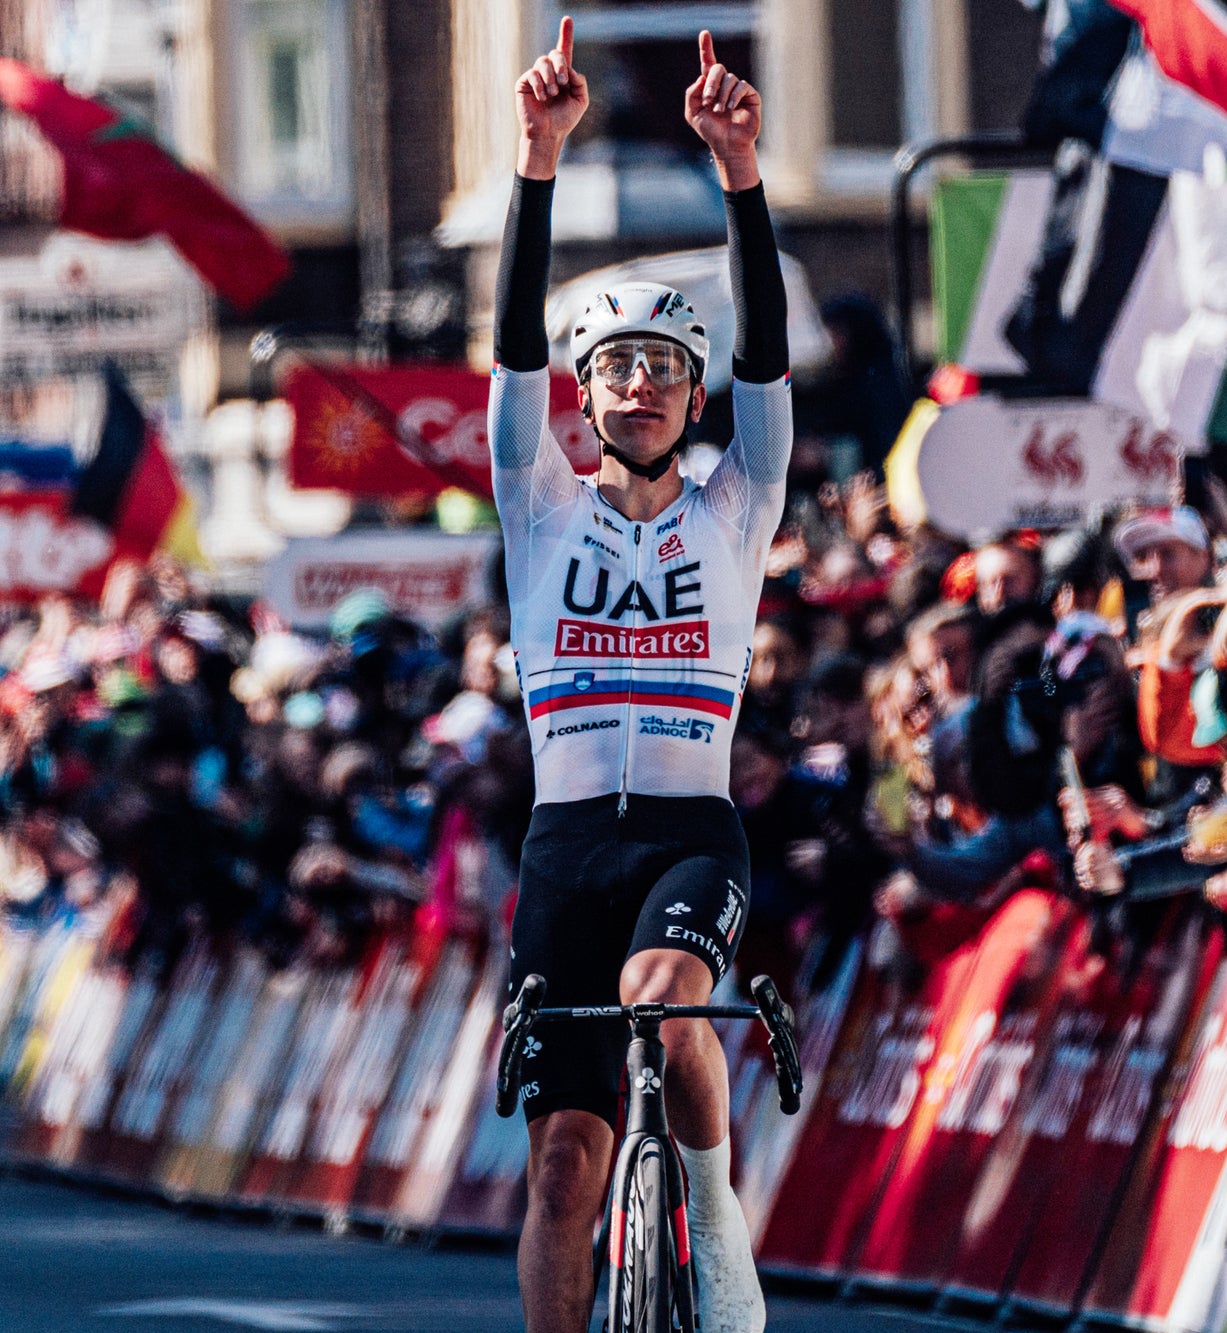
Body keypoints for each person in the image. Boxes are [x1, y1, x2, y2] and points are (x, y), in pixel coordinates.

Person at [490, 23, 786, 1332]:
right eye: (619, 369)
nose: (645, 387)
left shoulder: (737, 504)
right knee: (564, 1164)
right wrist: (534, 164)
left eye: (668, 370)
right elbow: (506, 358)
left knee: (670, 1004)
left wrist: (742, 177)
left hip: (684, 833)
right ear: (589, 394)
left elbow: (770, 358)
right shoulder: (538, 502)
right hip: (563, 849)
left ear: (692, 394)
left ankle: (716, 1227)